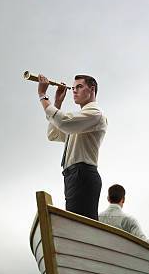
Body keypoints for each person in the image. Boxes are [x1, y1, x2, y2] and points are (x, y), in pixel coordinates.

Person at [37, 74, 107, 221]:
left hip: (83, 174)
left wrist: (43, 96)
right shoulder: (78, 119)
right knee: (79, 224)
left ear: (92, 89)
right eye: (73, 88)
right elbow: (53, 134)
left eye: (79, 87)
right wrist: (57, 102)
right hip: (73, 176)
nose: (74, 91)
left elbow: (63, 122)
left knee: (81, 226)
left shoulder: (95, 114)